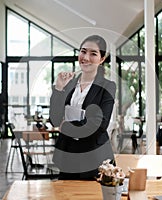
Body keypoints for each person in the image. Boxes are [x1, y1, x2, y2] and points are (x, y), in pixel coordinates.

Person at [49, 35, 116, 180]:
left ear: (102, 59)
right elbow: (54, 119)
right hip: (67, 154)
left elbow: (99, 125)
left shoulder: (107, 86)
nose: (86, 57)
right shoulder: (69, 83)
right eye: (83, 51)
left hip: (94, 156)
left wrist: (65, 127)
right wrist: (59, 88)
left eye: (93, 54)